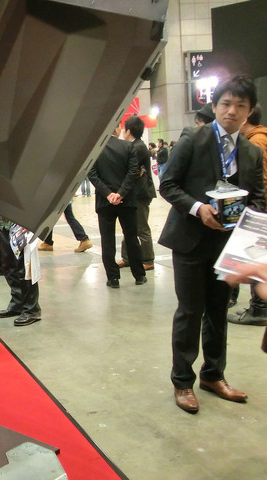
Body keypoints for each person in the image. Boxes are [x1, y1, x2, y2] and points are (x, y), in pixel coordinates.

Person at [158, 73, 264, 414]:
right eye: (226, 104)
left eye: (240, 105)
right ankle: (182, 381)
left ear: (249, 111)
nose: (232, 111)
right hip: (190, 241)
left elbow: (258, 198)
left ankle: (213, 375)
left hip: (227, 246)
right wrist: (197, 207)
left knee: (218, 311)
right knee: (190, 311)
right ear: (215, 106)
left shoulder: (251, 152)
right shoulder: (193, 139)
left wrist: (247, 228)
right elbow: (168, 185)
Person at [88, 127, 146, 288]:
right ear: (116, 128)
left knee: (107, 241)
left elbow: (92, 174)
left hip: (104, 202)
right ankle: (139, 275)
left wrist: (108, 194)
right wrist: (120, 193)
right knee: (131, 238)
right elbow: (133, 172)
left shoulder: (95, 149)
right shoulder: (128, 146)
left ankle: (113, 278)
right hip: (126, 201)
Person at [228, 104, 267, 325]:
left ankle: (259, 310)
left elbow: (261, 182)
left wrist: (255, 214)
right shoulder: (259, 138)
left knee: (257, 259)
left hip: (261, 212)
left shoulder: (256, 142)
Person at [117, 115, 156, 271]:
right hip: (135, 193)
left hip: (141, 193)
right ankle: (127, 257)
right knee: (129, 226)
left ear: (128, 131)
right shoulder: (135, 145)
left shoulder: (138, 147)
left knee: (141, 227)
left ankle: (148, 259)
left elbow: (129, 169)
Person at [0, 214, 41, 326]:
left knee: (25, 268)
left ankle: (31, 309)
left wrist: (29, 221)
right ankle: (18, 302)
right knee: (8, 265)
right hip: (4, 223)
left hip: (22, 224)